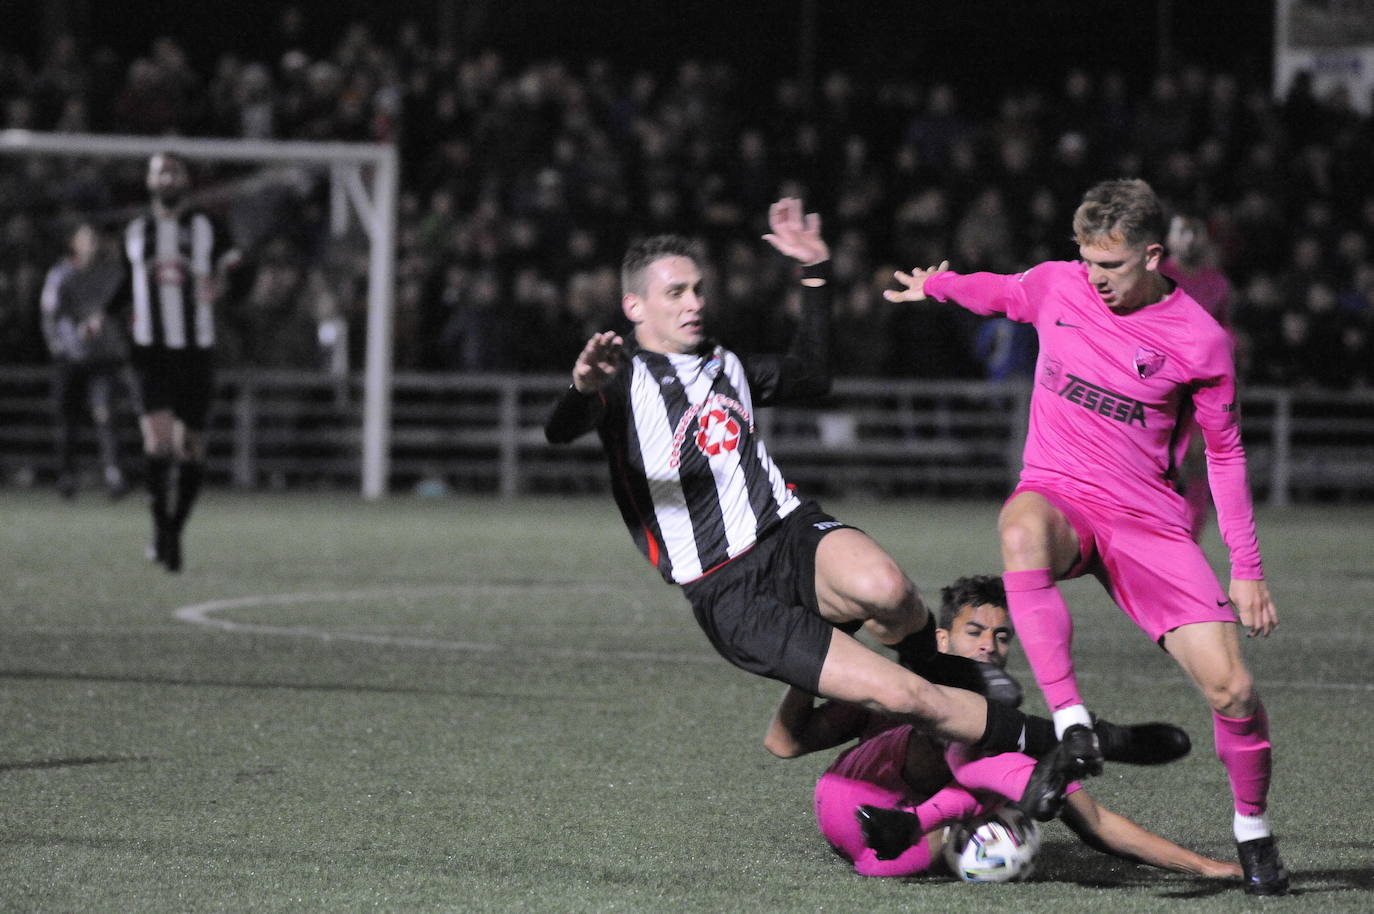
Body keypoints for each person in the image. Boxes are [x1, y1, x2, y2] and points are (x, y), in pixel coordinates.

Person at [544, 198, 1174, 818]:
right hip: (729, 590)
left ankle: (970, 687)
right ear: (634, 306)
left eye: (698, 289)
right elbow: (560, 429)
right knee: (909, 697)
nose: (695, 303)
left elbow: (813, 376)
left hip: (789, 531)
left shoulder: (724, 362)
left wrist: (815, 273)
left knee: (889, 589)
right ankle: (1078, 737)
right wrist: (581, 387)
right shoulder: (618, 379)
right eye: (676, 292)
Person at [883, 178, 1288, 896]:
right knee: (1018, 528)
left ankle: (1253, 830)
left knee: (1232, 689)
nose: (1094, 278)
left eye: (1111, 265)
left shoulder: (1201, 340)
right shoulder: (1059, 286)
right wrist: (941, 286)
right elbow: (1002, 292)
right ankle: (1074, 726)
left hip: (1149, 523)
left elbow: (1223, 454)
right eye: (1087, 260)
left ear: (1155, 255)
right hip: (1062, 495)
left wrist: (1246, 567)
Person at [764, 575, 1241, 881]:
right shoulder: (896, 689)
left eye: (1001, 635)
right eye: (975, 632)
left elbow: (1096, 824)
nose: (989, 645)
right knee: (957, 730)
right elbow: (784, 743)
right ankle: (1077, 741)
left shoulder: (1000, 722)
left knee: (994, 752)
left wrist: (1206, 867)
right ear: (942, 638)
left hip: (900, 849)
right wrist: (809, 663)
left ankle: (1035, 771)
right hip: (853, 803)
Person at [108, 152, 240, 572]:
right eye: (159, 171)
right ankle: (160, 528)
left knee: (191, 448)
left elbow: (237, 266)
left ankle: (176, 529)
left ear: (185, 180)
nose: (166, 178)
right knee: (158, 443)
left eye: (173, 171)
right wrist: (100, 314)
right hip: (149, 351)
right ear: (149, 181)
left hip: (196, 350)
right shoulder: (135, 229)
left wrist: (223, 283)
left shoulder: (208, 226)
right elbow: (124, 282)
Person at [39, 221, 137, 499]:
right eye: (87, 238)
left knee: (105, 414)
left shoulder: (112, 273)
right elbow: (50, 315)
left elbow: (125, 308)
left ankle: (114, 474)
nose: (93, 243)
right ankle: (67, 475)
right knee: (67, 418)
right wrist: (59, 347)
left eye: (96, 238)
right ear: (74, 243)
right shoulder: (62, 275)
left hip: (104, 356)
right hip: (70, 357)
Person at [1161, 213, 1234, 541]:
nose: (1189, 240)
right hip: (1155, 383)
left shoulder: (1217, 284)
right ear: (1170, 238)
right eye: (1182, 232)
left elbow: (1224, 330)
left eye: (1196, 233)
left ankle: (1188, 542)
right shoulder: (1156, 276)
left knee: (1197, 461)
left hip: (1199, 385)